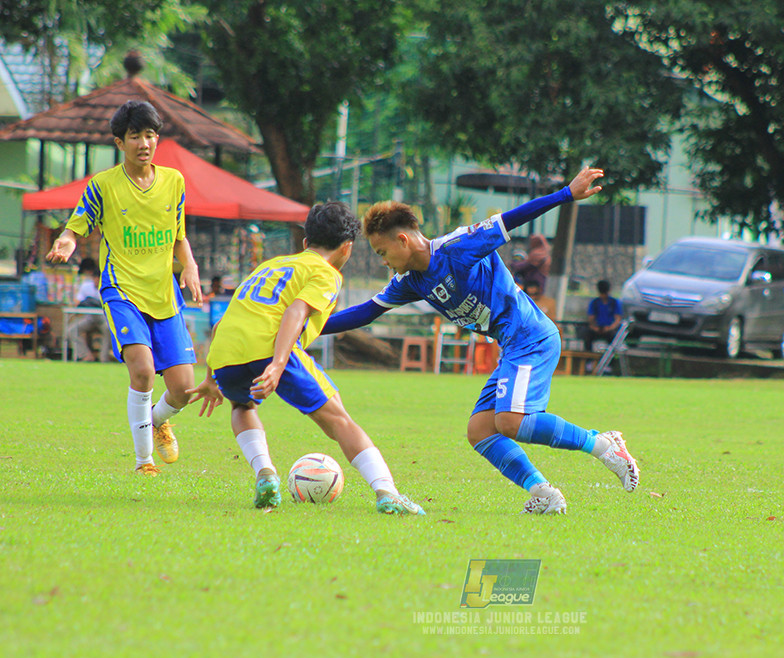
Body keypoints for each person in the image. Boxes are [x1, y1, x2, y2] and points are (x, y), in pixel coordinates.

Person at [321, 167, 639, 515]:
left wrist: (565, 194)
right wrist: (311, 327)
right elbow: (367, 312)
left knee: (511, 421)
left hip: (531, 335)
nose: (383, 262)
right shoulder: (410, 281)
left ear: (403, 241)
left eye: (382, 252)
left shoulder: (458, 247)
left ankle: (604, 445)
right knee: (480, 430)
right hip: (512, 345)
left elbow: (511, 219)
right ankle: (545, 494)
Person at [186, 201, 424, 514]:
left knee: (242, 406)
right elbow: (296, 311)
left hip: (225, 353)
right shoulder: (326, 273)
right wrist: (277, 364)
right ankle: (387, 492)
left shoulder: (270, 266)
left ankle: (266, 473)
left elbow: (224, 321)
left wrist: (210, 375)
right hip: (271, 348)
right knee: (339, 419)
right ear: (347, 248)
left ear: (304, 243)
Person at [46, 100, 203, 476]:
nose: (144, 143)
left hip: (165, 295)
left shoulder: (174, 182)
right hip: (122, 291)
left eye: (150, 135)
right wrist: (67, 241)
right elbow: (77, 224)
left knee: (183, 389)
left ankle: (157, 419)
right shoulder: (103, 186)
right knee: (143, 370)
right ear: (120, 142)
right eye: (135, 136)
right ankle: (143, 461)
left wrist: (191, 267)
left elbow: (180, 237)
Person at [66, 257, 112, 362]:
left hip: (104, 318)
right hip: (89, 317)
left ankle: (103, 358)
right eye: (95, 278)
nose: (97, 281)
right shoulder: (86, 286)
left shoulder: (108, 288)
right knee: (72, 329)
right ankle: (85, 355)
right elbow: (77, 301)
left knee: (109, 329)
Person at [583, 279, 623, 352]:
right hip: (598, 328)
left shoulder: (614, 302)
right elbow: (591, 318)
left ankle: (611, 360)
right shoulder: (595, 302)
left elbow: (617, 319)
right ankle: (588, 358)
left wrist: (610, 328)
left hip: (609, 329)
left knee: (613, 338)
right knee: (587, 336)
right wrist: (595, 328)